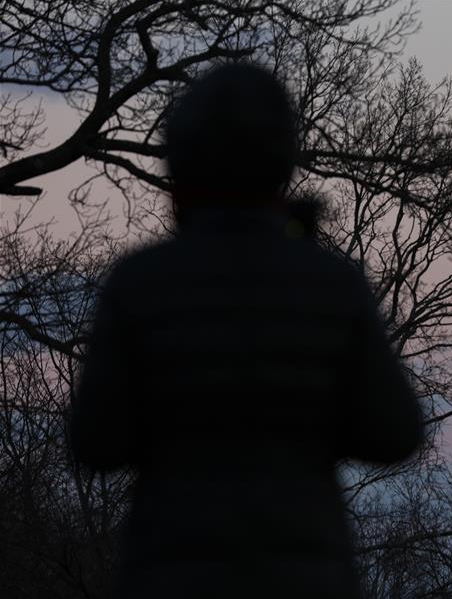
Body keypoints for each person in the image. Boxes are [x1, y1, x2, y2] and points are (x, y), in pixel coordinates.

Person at [68, 62, 424, 599]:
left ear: (181, 167)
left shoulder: (141, 284)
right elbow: (395, 433)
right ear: (281, 164)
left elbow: (96, 441)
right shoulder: (330, 284)